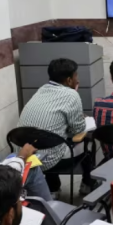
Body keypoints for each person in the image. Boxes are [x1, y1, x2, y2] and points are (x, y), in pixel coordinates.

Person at [18, 58, 99, 196]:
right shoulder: (71, 94)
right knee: (88, 141)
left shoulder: (42, 90)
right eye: (76, 76)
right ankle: (87, 184)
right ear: (69, 80)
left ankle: (53, 188)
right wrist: (75, 95)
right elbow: (78, 130)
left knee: (49, 138)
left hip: (26, 156)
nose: (77, 80)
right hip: (51, 161)